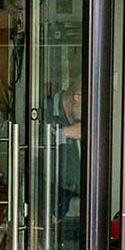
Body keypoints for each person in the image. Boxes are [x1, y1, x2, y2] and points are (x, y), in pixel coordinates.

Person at [45, 77, 83, 221]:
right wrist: (65, 133)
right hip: (50, 196)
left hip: (78, 197)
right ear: (77, 97)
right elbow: (35, 142)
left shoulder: (80, 115)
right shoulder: (46, 107)